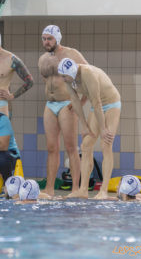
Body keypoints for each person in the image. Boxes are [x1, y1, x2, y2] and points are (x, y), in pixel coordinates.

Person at [57, 58, 121, 200]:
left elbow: (97, 101)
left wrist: (103, 128)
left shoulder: (88, 73)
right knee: (86, 145)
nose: (62, 79)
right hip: (96, 107)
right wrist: (84, 126)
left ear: (72, 72)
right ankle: (83, 190)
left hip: (111, 104)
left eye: (64, 76)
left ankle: (103, 191)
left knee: (106, 144)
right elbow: (75, 100)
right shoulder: (68, 79)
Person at [38, 25, 89, 197]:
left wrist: (80, 101)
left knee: (71, 147)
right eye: (44, 39)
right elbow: (46, 79)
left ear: (57, 38)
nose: (46, 42)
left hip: (67, 104)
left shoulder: (71, 54)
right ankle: (50, 189)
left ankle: (76, 189)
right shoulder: (43, 59)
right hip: (50, 104)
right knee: (51, 148)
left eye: (49, 39)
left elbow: (88, 75)